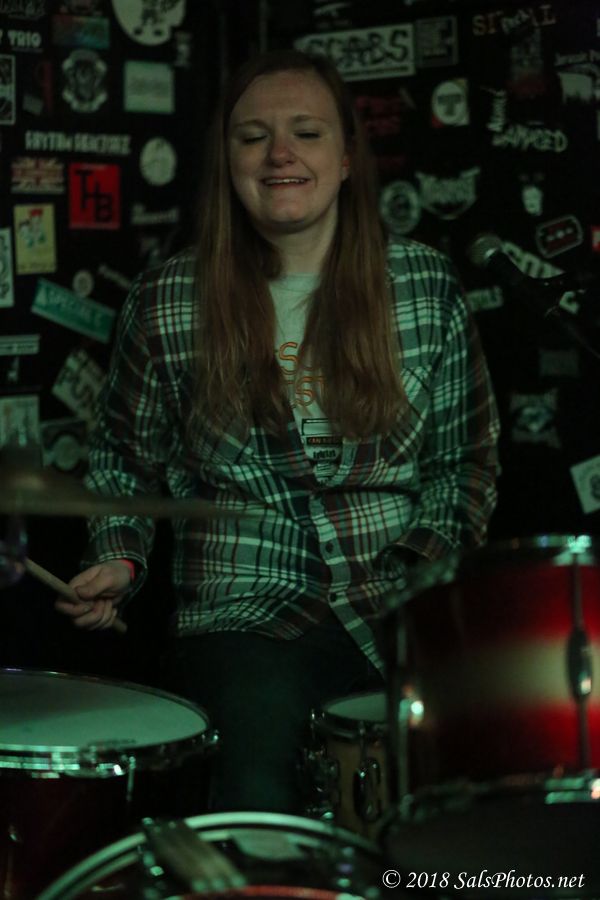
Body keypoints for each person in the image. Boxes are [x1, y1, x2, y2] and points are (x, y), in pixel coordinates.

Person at [56, 48, 500, 816]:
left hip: (397, 597)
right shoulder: (167, 299)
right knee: (256, 779)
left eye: (306, 133)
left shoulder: (424, 285)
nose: (280, 154)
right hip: (243, 609)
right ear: (227, 161)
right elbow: (123, 463)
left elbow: (463, 464)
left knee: (473, 791)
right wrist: (120, 557)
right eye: (254, 136)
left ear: (347, 158)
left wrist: (423, 581)